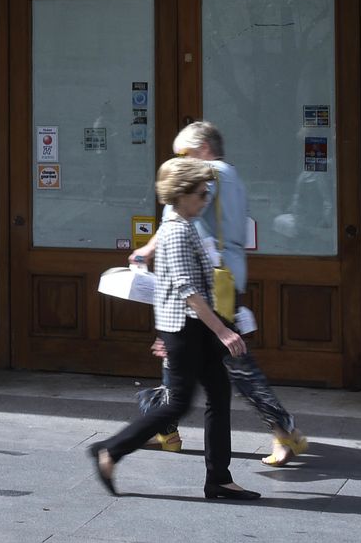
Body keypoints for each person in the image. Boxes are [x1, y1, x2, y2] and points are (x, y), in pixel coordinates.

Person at [131, 121, 307, 466]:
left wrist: (147, 251)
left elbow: (173, 219)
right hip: (225, 279)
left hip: (204, 283)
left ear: (202, 149)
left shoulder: (204, 176)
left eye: (182, 153)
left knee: (231, 361)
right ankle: (166, 427)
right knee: (179, 354)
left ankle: (282, 429)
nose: (177, 159)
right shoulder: (232, 176)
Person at [89, 156, 259, 502]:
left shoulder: (183, 227)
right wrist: (223, 332)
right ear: (181, 195)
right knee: (179, 404)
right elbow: (187, 291)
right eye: (200, 192)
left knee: (218, 394)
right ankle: (111, 451)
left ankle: (219, 480)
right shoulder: (177, 232)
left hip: (193, 329)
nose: (205, 198)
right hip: (187, 329)